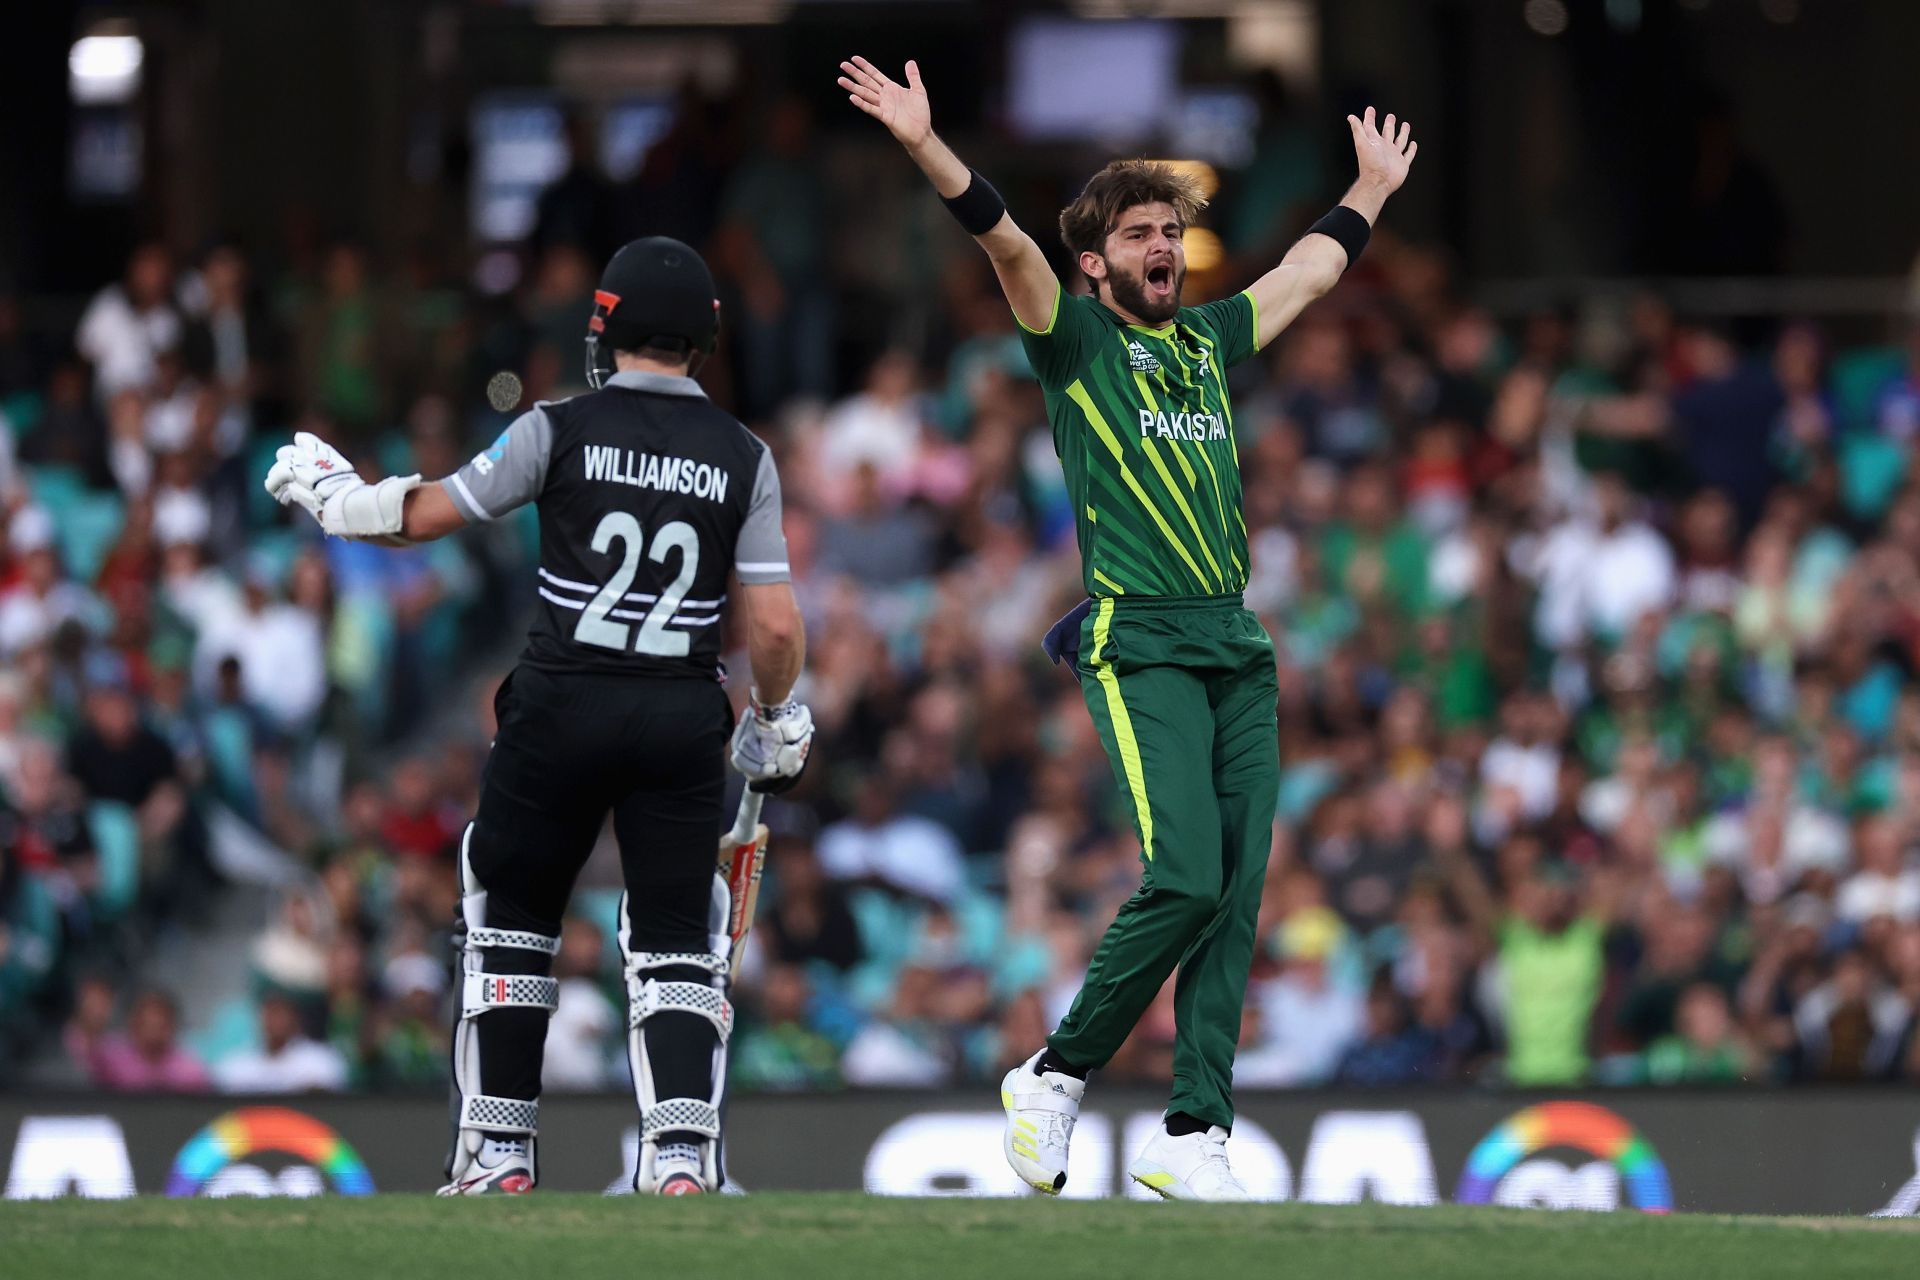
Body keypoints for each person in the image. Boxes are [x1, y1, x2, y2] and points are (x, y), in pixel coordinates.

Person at [841, 54, 1416, 1200]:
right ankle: (1053, 1073)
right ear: (1096, 261)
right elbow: (1005, 241)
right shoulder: (1076, 344)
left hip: (1233, 641)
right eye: (1144, 230)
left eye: (1174, 228)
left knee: (1241, 885)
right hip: (1138, 633)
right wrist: (924, 142)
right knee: (1188, 873)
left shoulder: (1204, 344)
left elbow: (1302, 279)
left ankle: (1194, 1130)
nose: (1166, 244)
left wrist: (1371, 193)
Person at [264, 236, 813, 1196]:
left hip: (559, 704)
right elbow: (771, 625)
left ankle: (499, 1155)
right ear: (704, 338)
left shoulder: (557, 427)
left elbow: (432, 516)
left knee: (510, 917)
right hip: (678, 714)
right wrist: (774, 714)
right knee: (682, 939)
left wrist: (341, 503)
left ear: (609, 326)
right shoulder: (744, 453)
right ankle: (682, 1163)